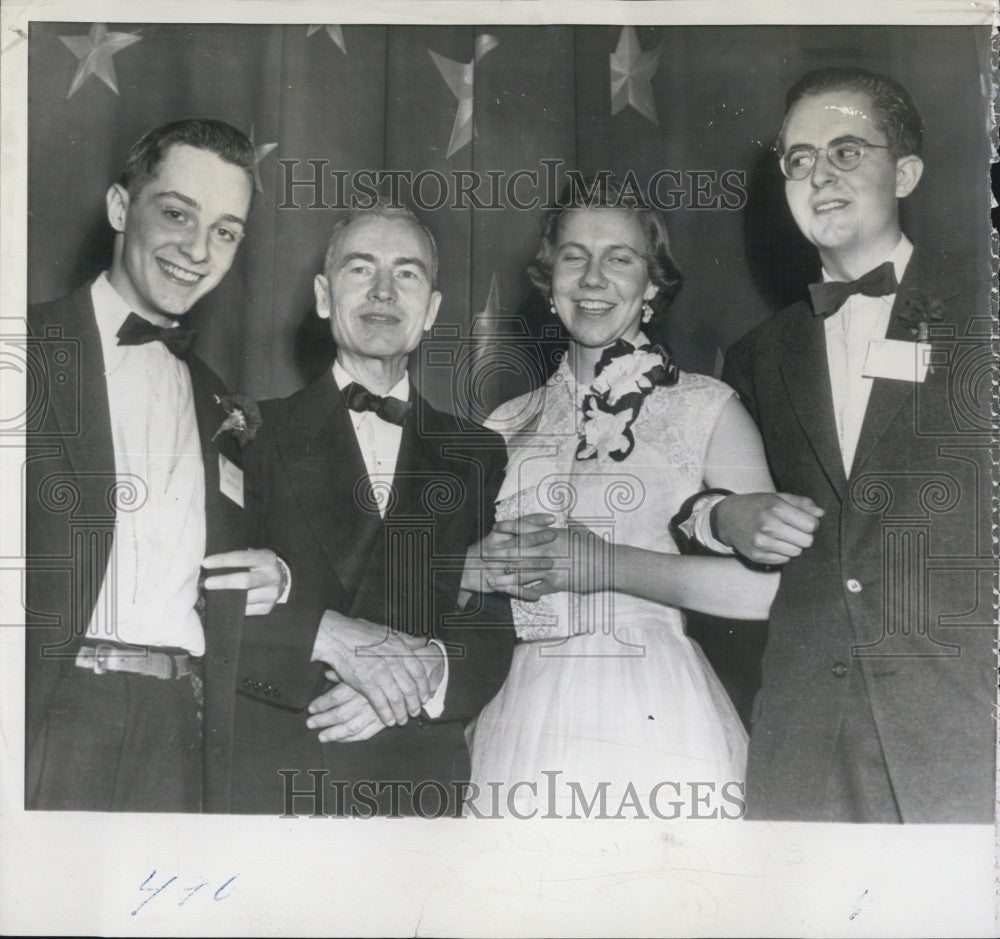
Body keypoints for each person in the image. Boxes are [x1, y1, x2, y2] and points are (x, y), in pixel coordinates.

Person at [678, 67, 995, 822]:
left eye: (847, 151)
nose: (818, 174)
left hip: (963, 731)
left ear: (907, 171)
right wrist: (722, 517)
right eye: (797, 159)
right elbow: (701, 500)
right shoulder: (758, 352)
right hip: (804, 743)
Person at [461, 178, 795, 817]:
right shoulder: (504, 422)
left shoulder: (706, 408)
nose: (592, 277)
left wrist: (601, 566)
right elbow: (460, 584)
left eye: (619, 258)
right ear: (547, 279)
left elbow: (767, 592)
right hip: (517, 704)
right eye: (573, 256)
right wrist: (477, 567)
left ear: (653, 287)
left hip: (654, 704)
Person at [25, 119, 285, 812]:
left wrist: (275, 577)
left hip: (177, 728)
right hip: (47, 713)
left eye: (226, 231)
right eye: (176, 213)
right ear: (119, 207)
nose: (198, 250)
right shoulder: (20, 350)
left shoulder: (218, 401)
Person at [231, 199, 515, 817]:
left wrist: (409, 686)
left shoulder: (477, 452)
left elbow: (495, 624)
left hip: (418, 782)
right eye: (361, 270)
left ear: (432, 310)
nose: (384, 291)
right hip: (279, 772)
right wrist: (330, 646)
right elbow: (207, 599)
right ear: (323, 296)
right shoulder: (252, 430)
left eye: (407, 273)